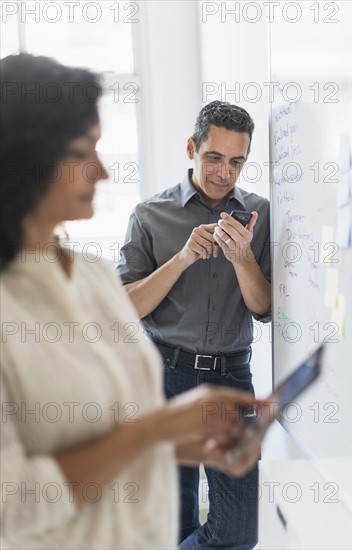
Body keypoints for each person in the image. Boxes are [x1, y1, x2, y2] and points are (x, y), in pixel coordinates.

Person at [0, 55, 265, 550]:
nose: (102, 171)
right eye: (84, 152)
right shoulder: (11, 303)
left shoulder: (93, 276)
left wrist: (191, 438)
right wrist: (160, 427)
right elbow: (14, 503)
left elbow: (112, 429)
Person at [117, 101, 271, 549]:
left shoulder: (260, 216)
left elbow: (263, 308)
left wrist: (242, 257)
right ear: (192, 148)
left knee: (239, 530)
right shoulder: (149, 215)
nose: (225, 172)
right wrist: (182, 258)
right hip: (164, 373)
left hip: (231, 377)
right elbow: (125, 308)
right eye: (214, 157)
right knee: (173, 519)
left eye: (237, 161)